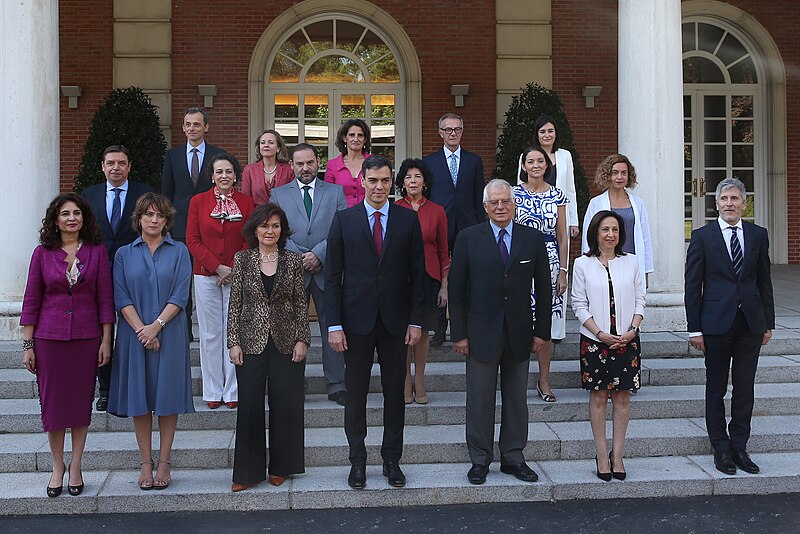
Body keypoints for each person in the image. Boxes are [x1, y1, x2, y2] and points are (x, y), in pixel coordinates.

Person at [325, 154, 425, 489]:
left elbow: (417, 276)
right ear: (362, 182)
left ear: (391, 183)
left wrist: (416, 321)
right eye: (373, 180)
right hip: (356, 324)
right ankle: (357, 462)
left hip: (396, 323)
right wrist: (334, 325)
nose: (379, 187)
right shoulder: (344, 220)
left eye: (384, 180)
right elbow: (333, 275)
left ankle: (392, 461)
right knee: (355, 396)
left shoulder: (407, 220)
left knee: (395, 394)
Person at [449, 179, 551, 485]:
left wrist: (541, 332)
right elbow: (457, 290)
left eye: (505, 201)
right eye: (494, 203)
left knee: (516, 398)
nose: (500, 207)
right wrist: (459, 334)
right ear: (485, 207)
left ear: (514, 202)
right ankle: (479, 459)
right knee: (479, 399)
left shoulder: (532, 239)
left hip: (520, 331)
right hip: (480, 332)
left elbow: (544, 290)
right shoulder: (468, 238)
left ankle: (513, 457)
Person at [21, 193, 115, 497]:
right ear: (55, 219)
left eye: (77, 213)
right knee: (54, 405)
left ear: (84, 218)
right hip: (50, 339)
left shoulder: (97, 252)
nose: (71, 218)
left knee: (79, 403)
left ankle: (76, 465)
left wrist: (106, 339)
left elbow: (105, 299)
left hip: (87, 339)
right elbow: (32, 298)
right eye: (65, 213)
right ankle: (57, 466)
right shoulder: (42, 253)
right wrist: (28, 344)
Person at [685, 177, 774, 476]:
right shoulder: (702, 236)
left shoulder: (758, 235)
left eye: (735, 199)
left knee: (745, 389)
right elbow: (692, 285)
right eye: (724, 199)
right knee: (716, 388)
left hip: (750, 323)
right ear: (716, 204)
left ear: (744, 203)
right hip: (715, 324)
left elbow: (764, 281)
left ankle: (739, 446)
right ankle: (720, 449)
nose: (729, 204)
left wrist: (768, 322)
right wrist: (694, 328)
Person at [108, 193, 194, 491]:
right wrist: (142, 330)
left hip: (169, 333)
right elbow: (121, 297)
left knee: (167, 399)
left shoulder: (180, 251)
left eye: (159, 215)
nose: (153, 220)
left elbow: (181, 295)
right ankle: (146, 462)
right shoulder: (123, 254)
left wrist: (156, 327)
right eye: (148, 215)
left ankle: (165, 462)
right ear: (139, 219)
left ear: (166, 220)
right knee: (140, 398)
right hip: (134, 336)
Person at [227, 204, 311, 491]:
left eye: (275, 225)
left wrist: (303, 339)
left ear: (282, 230)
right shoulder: (242, 260)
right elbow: (234, 304)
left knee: (286, 405)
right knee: (249, 406)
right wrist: (233, 342)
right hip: (250, 342)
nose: (270, 231)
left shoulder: (293, 261)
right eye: (265, 225)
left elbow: (301, 303)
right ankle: (247, 473)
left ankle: (282, 467)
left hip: (287, 343)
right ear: (255, 229)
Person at [270, 143, 348, 405]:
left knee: (332, 327)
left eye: (310, 163)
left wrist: (319, 254)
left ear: (318, 162)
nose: (305, 168)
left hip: (326, 269)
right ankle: (294, 382)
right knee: (292, 328)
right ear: (291, 165)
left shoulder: (335, 192)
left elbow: (341, 229)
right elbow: (275, 229)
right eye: (300, 164)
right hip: (293, 270)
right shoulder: (278, 194)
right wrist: (301, 257)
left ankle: (337, 384)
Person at [572, 210, 644, 481]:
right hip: (595, 342)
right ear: (595, 233)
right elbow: (578, 304)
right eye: (605, 229)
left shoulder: (632, 262)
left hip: (627, 341)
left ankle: (618, 454)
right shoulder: (582, 264)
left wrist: (632, 330)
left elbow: (640, 299)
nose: (610, 234)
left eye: (615, 229)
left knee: (622, 397)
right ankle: (602, 455)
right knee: (599, 397)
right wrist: (600, 333)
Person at [82, 144, 153, 412]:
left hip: (134, 272)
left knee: (133, 327)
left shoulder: (143, 194)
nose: (116, 168)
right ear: (102, 166)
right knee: (103, 331)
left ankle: (135, 385)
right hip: (97, 272)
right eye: (110, 163)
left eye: (121, 163)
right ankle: (106, 390)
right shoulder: (89, 196)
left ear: (129, 166)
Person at [186, 153, 254, 410]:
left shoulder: (247, 203)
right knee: (210, 333)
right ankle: (213, 389)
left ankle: (233, 390)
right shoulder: (198, 202)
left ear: (235, 175)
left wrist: (235, 268)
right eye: (219, 172)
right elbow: (192, 240)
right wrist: (216, 267)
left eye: (228, 171)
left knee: (235, 331)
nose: (224, 176)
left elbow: (251, 238)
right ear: (212, 176)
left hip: (238, 274)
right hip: (206, 275)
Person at [161, 107, 224, 338]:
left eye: (196, 124)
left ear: (206, 127)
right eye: (187, 124)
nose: (191, 129)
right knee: (182, 281)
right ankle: (184, 332)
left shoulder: (218, 156)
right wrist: (165, 227)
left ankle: (215, 330)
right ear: (183, 128)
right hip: (179, 229)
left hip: (211, 227)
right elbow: (166, 195)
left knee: (212, 278)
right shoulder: (173, 156)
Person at [423, 112, 485, 346]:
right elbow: (427, 196)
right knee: (440, 276)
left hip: (468, 226)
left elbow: (479, 195)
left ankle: (465, 328)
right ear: (440, 133)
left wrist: (481, 226)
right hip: (439, 225)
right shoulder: (429, 162)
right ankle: (439, 329)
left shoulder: (474, 161)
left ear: (462, 131)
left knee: (466, 276)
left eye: (456, 129)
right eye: (447, 130)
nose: (452, 133)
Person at [513, 145, 568, 403]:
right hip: (520, 261)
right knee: (518, 318)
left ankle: (544, 379)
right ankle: (516, 379)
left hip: (549, 260)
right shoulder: (513, 194)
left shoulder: (557, 195)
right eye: (530, 161)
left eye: (540, 161)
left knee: (544, 320)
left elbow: (562, 235)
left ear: (547, 166)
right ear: (523, 166)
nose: (535, 165)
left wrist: (564, 270)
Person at [393, 158, 449, 404]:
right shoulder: (393, 208)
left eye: (417, 177)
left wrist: (445, 285)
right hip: (400, 277)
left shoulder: (437, 211)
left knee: (424, 330)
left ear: (424, 182)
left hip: (429, 276)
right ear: (402, 183)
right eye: (408, 177)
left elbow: (443, 251)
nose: (413, 181)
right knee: (403, 330)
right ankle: (404, 380)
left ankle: (420, 379)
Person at [582, 154, 653, 288]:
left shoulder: (638, 203)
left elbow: (645, 238)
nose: (619, 177)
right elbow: (588, 236)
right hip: (604, 263)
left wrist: (646, 271)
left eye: (624, 173)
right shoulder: (596, 203)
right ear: (607, 175)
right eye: (615, 173)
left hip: (632, 264)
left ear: (629, 176)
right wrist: (588, 266)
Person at [517, 115, 579, 238]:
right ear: (537, 135)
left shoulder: (565, 156)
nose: (547, 135)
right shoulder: (526, 156)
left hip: (559, 214)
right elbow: (521, 187)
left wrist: (573, 221)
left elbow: (570, 190)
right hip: (532, 216)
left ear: (556, 134)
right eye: (542, 131)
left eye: (550, 131)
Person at [324, 119, 371, 208]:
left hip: (369, 214)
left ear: (365, 139)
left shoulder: (374, 162)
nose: (356, 139)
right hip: (342, 215)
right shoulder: (332, 165)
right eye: (351, 135)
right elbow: (328, 196)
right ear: (345, 138)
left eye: (360, 135)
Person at [241, 129, 294, 206]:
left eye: (270, 142)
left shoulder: (289, 170)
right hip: (258, 215)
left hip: (283, 215)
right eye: (263, 143)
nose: (266, 145)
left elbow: (293, 198)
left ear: (278, 148)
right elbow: (246, 199)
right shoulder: (249, 170)